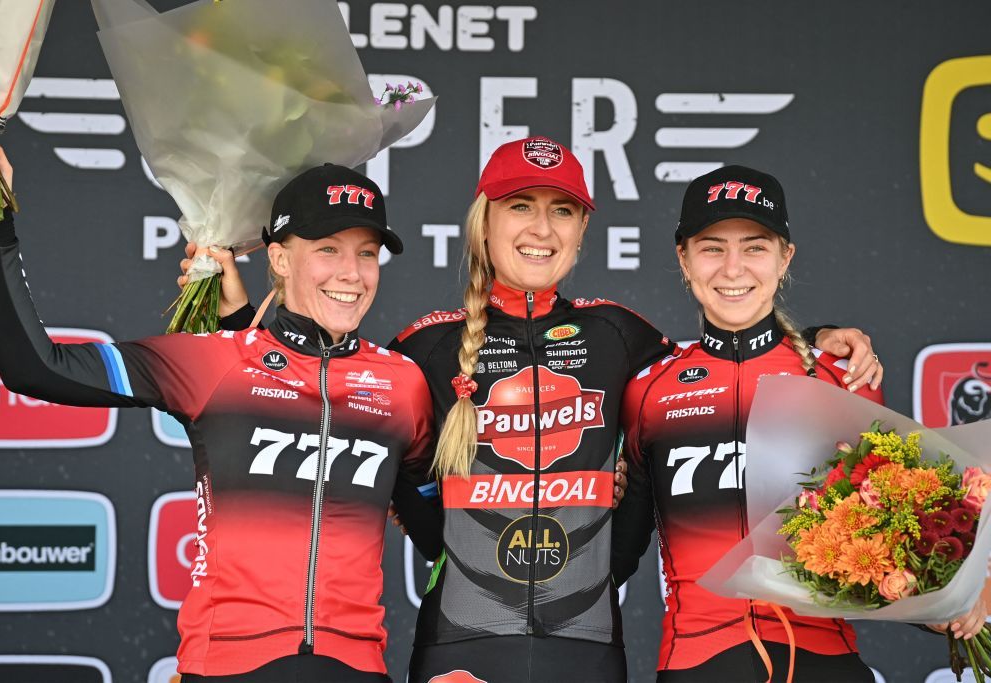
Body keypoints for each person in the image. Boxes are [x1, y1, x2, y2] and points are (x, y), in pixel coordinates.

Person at [209, 137, 880, 682]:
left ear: (583, 228)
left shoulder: (620, 337)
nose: (541, 227)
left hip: (585, 652)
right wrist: (239, 317)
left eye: (562, 210)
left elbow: (729, 356)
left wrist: (816, 338)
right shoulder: (427, 345)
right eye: (520, 205)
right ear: (485, 221)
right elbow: (317, 392)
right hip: (460, 649)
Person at [0, 134, 441, 682]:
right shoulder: (216, 363)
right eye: (328, 249)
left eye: (366, 253)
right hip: (226, 665)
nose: (351, 273)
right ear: (281, 258)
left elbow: (439, 535)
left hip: (355, 667)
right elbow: (36, 368)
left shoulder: (400, 384)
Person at [612, 165, 989, 682]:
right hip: (696, 663)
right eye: (712, 246)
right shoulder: (649, 389)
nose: (733, 268)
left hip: (824, 662)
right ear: (684, 259)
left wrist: (954, 599)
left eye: (755, 246)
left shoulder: (843, 377)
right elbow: (613, 557)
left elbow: (902, 544)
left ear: (785, 256)